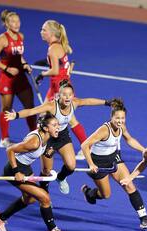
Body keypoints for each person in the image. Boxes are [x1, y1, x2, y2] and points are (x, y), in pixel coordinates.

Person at [5, 80, 111, 195]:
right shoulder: (51, 106)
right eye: (64, 94)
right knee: (46, 171)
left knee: (71, 166)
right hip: (48, 138)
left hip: (62, 136)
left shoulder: (74, 103)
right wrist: (16, 115)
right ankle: (44, 192)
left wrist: (107, 102)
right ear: (59, 95)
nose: (67, 97)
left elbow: (88, 101)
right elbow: (32, 111)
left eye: (70, 94)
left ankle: (60, 178)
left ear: (73, 95)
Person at [0, 113, 67, 231]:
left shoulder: (46, 136)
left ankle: (0, 218)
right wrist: (16, 172)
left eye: (57, 124)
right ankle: (52, 230)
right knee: (45, 198)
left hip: (25, 168)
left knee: (30, 199)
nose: (58, 127)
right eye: (54, 125)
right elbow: (10, 150)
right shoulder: (34, 142)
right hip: (14, 169)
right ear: (46, 128)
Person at [80, 99, 147, 230]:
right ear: (111, 117)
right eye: (117, 118)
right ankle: (89, 193)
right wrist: (90, 164)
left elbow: (129, 139)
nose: (120, 121)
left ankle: (144, 219)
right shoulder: (104, 130)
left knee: (129, 185)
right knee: (106, 195)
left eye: (122, 118)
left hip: (114, 159)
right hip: (98, 163)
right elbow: (85, 145)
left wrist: (143, 150)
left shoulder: (121, 127)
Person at [36, 19, 87, 160]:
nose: (41, 32)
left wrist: (41, 74)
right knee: (41, 115)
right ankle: (38, 144)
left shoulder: (52, 48)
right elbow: (62, 65)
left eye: (44, 30)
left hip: (60, 89)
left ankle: (85, 146)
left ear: (51, 33)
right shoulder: (59, 46)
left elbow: (55, 70)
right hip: (56, 86)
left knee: (71, 120)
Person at [0, 9, 36, 148]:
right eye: (13, 22)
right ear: (6, 24)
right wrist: (7, 69)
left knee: (30, 107)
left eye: (18, 21)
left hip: (20, 78)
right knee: (6, 108)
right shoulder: (2, 39)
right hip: (7, 79)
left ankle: (34, 135)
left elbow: (19, 55)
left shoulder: (21, 36)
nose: (16, 24)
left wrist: (25, 64)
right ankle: (4, 138)